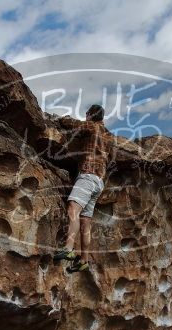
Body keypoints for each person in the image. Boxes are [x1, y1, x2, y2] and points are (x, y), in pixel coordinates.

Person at [53, 104, 115, 273]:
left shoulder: (91, 126)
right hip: (99, 182)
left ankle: (68, 248)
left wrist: (59, 119)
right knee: (85, 221)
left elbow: (73, 125)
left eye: (87, 114)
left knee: (73, 208)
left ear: (89, 115)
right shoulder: (109, 136)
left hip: (87, 176)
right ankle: (84, 260)